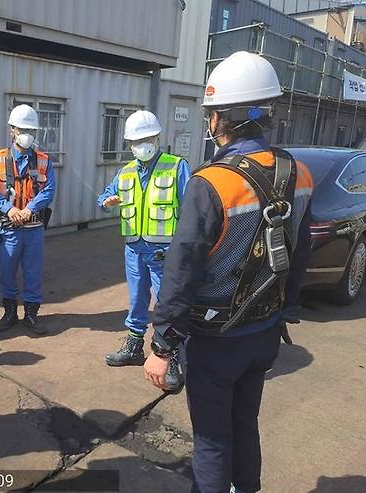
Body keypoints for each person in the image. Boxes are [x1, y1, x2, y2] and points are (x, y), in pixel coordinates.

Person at [144, 51, 314, 493]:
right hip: (264, 332)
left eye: (212, 114)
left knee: (213, 439)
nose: (210, 122)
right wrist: (286, 308)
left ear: (226, 118)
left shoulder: (211, 182)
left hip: (216, 340)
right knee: (246, 422)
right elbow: (300, 253)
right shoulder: (299, 173)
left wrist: (162, 344)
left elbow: (181, 272)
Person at [97, 110, 191, 366]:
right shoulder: (125, 172)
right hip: (134, 249)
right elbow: (103, 198)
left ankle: (171, 352)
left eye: (147, 139)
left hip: (165, 251)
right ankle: (134, 346)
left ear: (157, 138)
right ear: (129, 144)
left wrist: (183, 249)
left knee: (168, 302)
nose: (142, 145)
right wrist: (107, 202)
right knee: (137, 300)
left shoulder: (176, 166)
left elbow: (191, 211)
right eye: (136, 142)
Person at [0, 104, 56, 335]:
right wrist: (9, 209)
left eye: (31, 130)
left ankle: (32, 315)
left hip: (34, 229)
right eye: (22, 129)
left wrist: (29, 209)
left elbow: (48, 189)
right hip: (8, 229)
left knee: (33, 272)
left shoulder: (44, 160)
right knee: (7, 271)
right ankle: (10, 313)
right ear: (12, 129)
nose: (27, 134)